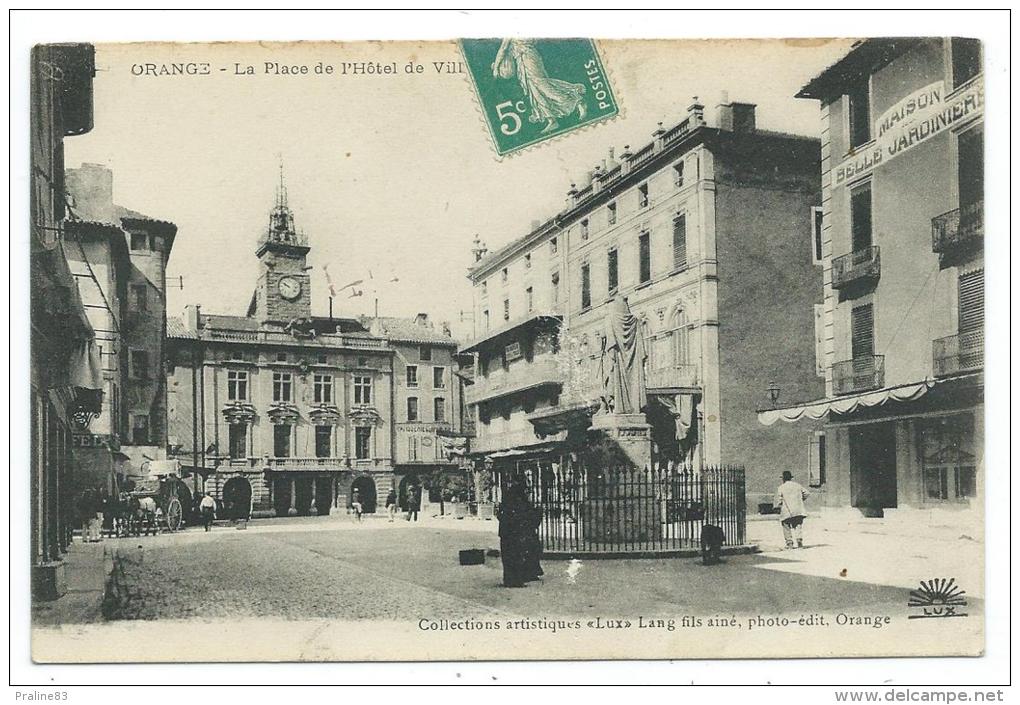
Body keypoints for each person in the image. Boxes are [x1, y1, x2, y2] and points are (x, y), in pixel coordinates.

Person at [491, 38, 588, 134]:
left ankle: (577, 100)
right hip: (524, 59)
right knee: (534, 90)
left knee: (542, 85)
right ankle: (552, 120)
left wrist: (496, 68)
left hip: (528, 58)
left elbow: (503, 48)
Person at [497, 479, 531, 587]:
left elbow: (500, 515)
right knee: (517, 556)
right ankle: (517, 580)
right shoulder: (518, 501)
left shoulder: (507, 499)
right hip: (515, 533)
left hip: (506, 533)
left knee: (508, 557)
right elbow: (523, 516)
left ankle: (509, 580)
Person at [774, 471, 809, 549]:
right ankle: (799, 541)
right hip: (798, 509)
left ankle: (789, 543)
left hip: (786, 510)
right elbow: (807, 493)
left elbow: (779, 500)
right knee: (798, 525)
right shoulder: (798, 485)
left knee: (786, 525)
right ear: (791, 478)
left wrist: (777, 507)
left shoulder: (781, 487)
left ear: (783, 479)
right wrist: (801, 499)